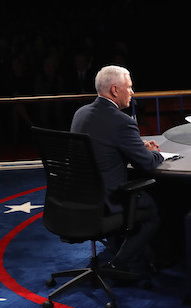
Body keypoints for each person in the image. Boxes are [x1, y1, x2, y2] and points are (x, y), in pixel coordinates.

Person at [70, 65, 164, 271]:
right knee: (154, 210)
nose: (132, 92)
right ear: (114, 90)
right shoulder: (122, 121)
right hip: (109, 199)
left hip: (79, 197)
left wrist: (138, 147)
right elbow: (147, 164)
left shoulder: (81, 113)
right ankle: (120, 263)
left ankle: (129, 251)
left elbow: (102, 147)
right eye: (129, 87)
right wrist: (156, 153)